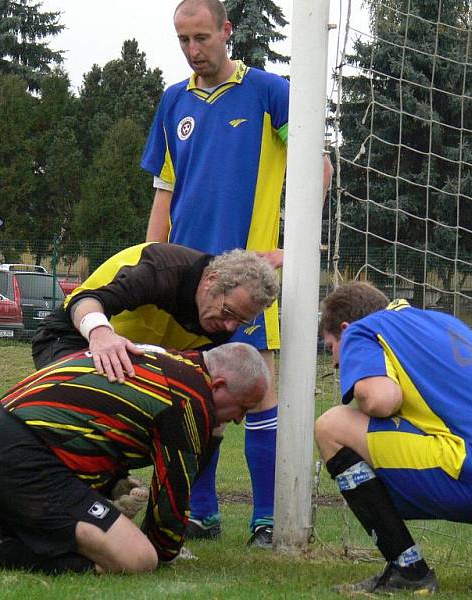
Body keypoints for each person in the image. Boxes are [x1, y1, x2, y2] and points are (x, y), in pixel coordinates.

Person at [140, 0, 334, 548]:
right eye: (183, 40)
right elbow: (164, 190)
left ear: (227, 31)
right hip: (186, 283)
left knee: (260, 390)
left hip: (247, 284)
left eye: (202, 37)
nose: (193, 50)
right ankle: (201, 512)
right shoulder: (173, 100)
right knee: (196, 392)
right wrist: (151, 261)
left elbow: (317, 166)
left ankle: (268, 519)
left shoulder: (270, 92)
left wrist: (290, 248)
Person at [0, 342, 271, 574]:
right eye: (243, 408)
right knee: (136, 557)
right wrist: (157, 549)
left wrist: (109, 490)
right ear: (217, 385)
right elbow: (172, 500)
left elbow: (99, 430)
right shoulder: (191, 399)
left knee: (79, 518)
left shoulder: (168, 361)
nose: (237, 422)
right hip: (21, 455)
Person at [315, 281, 472, 594]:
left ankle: (408, 570)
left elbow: (381, 400)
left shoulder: (364, 330)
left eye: (330, 348)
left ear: (345, 327)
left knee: (331, 426)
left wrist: (367, 391)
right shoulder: (444, 323)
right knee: (457, 432)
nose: (336, 362)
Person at [31, 242, 278, 378]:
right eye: (229, 312)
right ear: (211, 280)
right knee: (94, 399)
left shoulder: (224, 317)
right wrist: (101, 334)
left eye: (241, 322)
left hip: (132, 355)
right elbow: (85, 300)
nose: (230, 327)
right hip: (69, 336)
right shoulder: (162, 271)